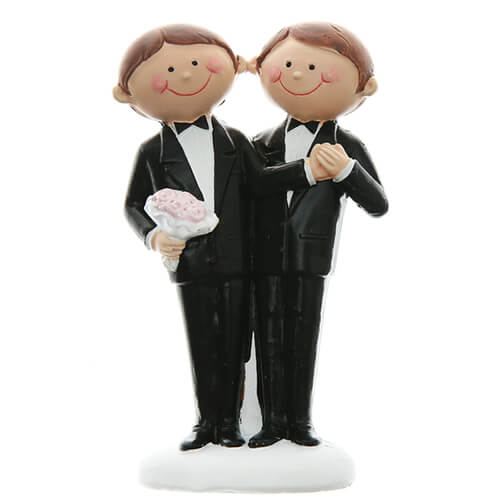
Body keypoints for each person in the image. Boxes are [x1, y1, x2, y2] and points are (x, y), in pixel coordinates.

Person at [113, 24, 335, 451]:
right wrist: (153, 236)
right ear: (127, 94)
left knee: (235, 345)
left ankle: (230, 423)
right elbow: (132, 205)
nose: (184, 74)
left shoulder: (234, 140)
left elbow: (264, 181)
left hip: (239, 261)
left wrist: (308, 170)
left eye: (196, 63)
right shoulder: (150, 151)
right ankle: (206, 422)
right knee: (201, 344)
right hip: (191, 261)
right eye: (170, 69)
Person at [247, 22, 389, 448]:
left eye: (312, 67)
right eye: (288, 64)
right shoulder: (260, 142)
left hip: (310, 259)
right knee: (268, 339)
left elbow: (378, 203)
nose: (297, 73)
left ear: (364, 87)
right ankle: (271, 422)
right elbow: (251, 187)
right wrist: (306, 171)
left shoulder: (347, 146)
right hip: (264, 256)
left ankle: (299, 421)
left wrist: (346, 171)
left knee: (302, 340)